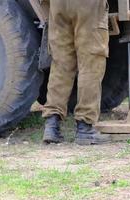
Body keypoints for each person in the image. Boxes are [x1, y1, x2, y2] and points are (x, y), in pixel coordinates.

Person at [42, 0, 111, 145]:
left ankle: (52, 126)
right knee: (91, 63)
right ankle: (85, 128)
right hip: (88, 5)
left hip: (58, 4)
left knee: (61, 63)